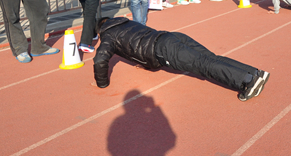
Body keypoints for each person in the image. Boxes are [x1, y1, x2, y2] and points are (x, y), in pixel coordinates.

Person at [93, 17, 270, 102]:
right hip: (170, 36)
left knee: (204, 65)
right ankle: (254, 72)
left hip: (163, 49)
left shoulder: (108, 35)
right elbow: (137, 42)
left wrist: (102, 83)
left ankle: (246, 81)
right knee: (210, 58)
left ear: (101, 30)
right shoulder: (126, 21)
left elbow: (100, 60)